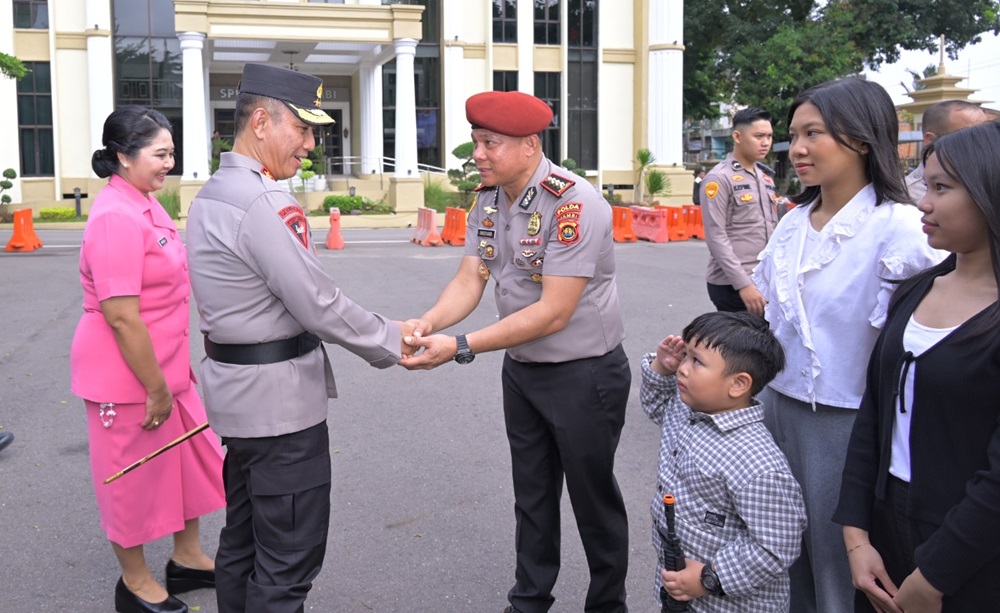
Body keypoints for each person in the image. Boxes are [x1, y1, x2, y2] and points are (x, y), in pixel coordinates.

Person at [185, 63, 408, 613]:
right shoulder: (262, 200)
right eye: (302, 129)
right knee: (287, 562)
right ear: (261, 121)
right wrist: (393, 341)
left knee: (244, 545)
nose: (310, 143)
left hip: (240, 403)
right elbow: (316, 301)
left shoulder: (216, 190)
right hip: (280, 411)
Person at [400, 90, 631, 613]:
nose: (477, 154)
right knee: (531, 496)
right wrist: (429, 321)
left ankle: (607, 605)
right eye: (477, 141)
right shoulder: (488, 198)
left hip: (584, 375)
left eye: (490, 143)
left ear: (529, 145)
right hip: (524, 371)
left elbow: (554, 311)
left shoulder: (574, 203)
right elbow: (472, 275)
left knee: (594, 502)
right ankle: (529, 600)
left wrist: (459, 346)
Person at [751, 78, 945, 613]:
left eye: (815, 133)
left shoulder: (900, 229)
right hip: (776, 412)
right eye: (795, 134)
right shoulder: (792, 224)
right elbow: (771, 325)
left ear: (861, 139)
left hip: (848, 424)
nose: (800, 148)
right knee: (781, 559)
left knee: (838, 570)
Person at [835, 121, 1000, 611]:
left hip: (970, 549)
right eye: (925, 186)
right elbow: (873, 418)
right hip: (887, 527)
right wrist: (857, 539)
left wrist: (934, 577)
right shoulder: (915, 290)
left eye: (942, 188)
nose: (924, 203)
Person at [71, 106, 226, 613]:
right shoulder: (116, 217)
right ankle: (134, 583)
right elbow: (120, 317)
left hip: (167, 367)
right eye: (160, 154)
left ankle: (186, 558)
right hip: (130, 377)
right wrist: (156, 387)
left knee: (187, 461)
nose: (169, 163)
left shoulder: (144, 202)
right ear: (122, 155)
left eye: (171, 153)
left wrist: (173, 375)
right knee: (131, 478)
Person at [641, 311, 807, 611]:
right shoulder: (685, 408)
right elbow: (655, 407)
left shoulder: (756, 462)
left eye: (697, 362)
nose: (683, 368)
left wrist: (708, 578)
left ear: (739, 384)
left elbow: (776, 545)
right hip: (679, 588)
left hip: (729, 603)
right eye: (685, 355)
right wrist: (660, 369)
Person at [701, 107, 780, 315]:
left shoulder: (765, 178)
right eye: (759, 136)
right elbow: (716, 235)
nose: (766, 143)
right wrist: (743, 284)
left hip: (763, 280)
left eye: (769, 136)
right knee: (742, 345)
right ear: (737, 136)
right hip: (733, 284)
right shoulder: (719, 178)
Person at [905, 100, 988, 202]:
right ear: (930, 140)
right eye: (968, 136)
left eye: (985, 135)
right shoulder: (908, 195)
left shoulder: (990, 180)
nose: (982, 143)